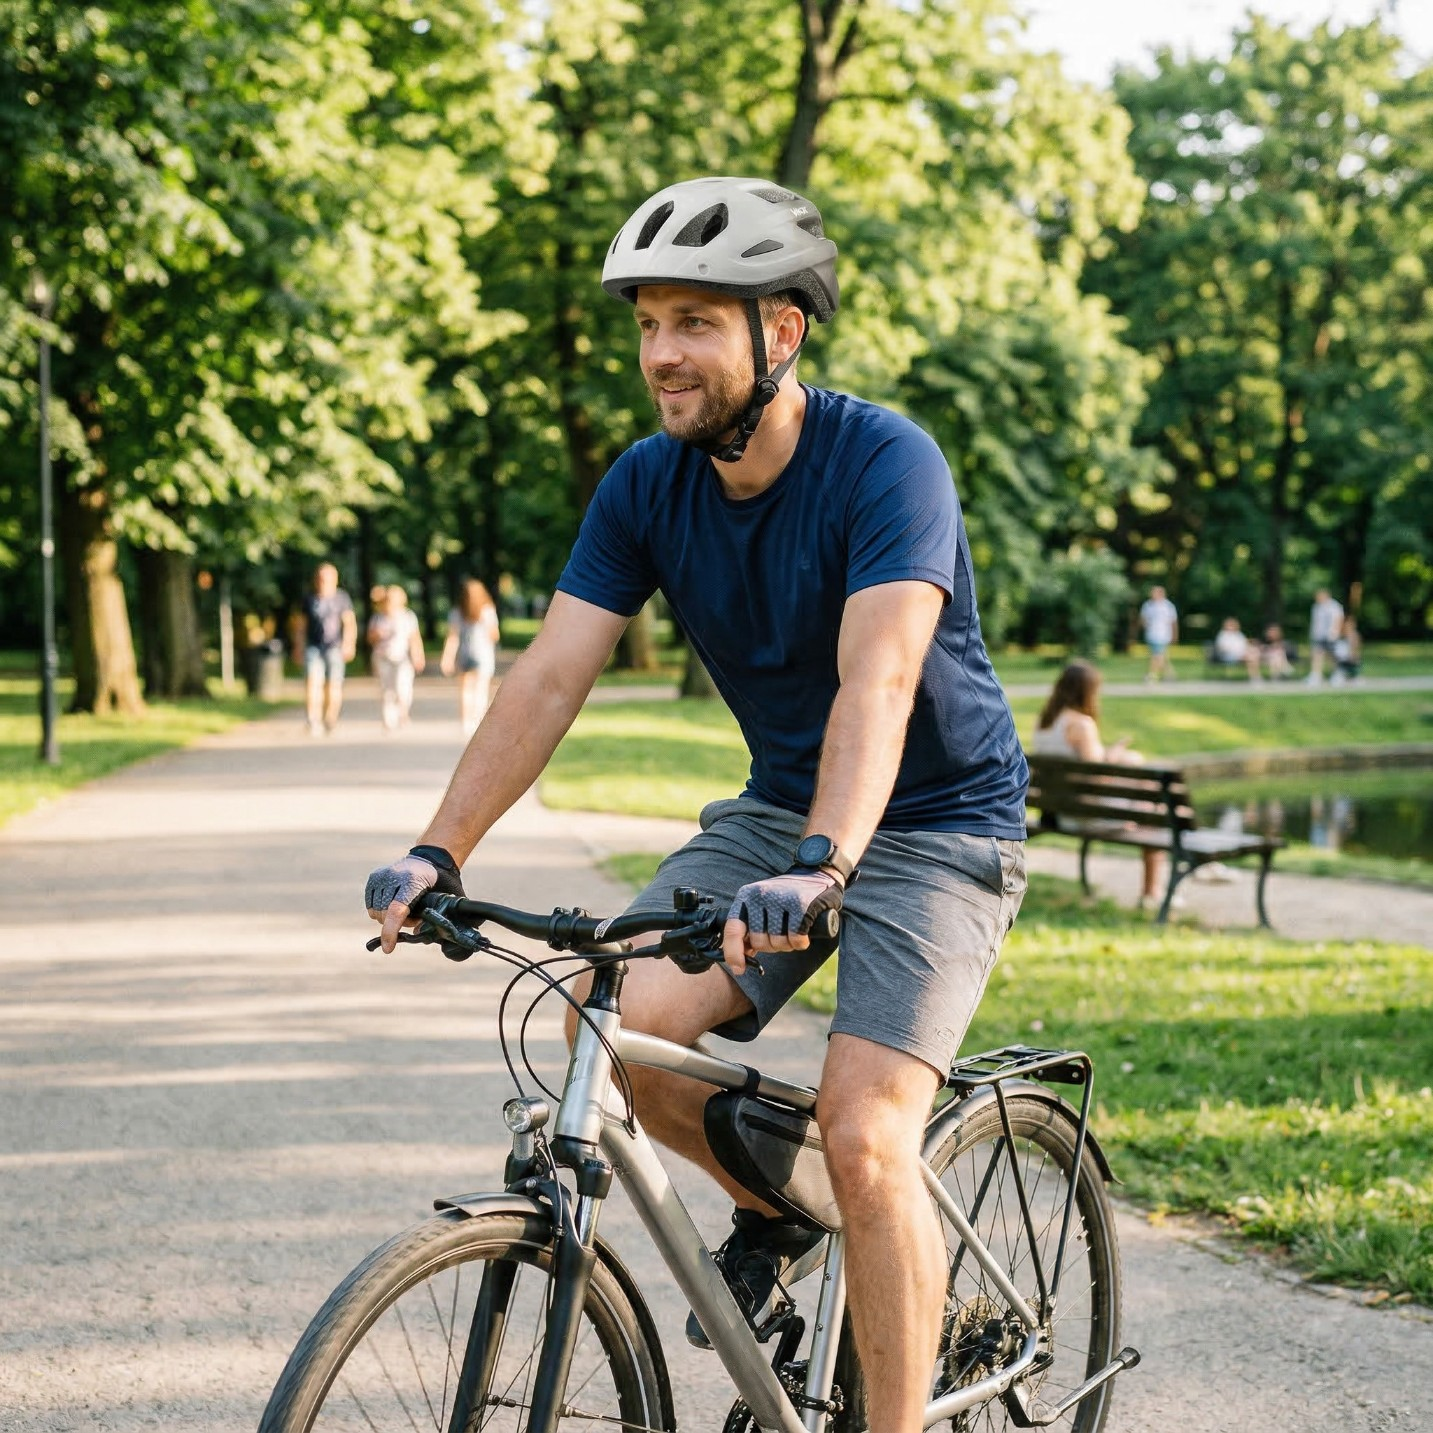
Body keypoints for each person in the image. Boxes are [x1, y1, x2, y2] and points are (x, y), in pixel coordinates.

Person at [363, 176, 1029, 1433]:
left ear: (780, 333)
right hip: (783, 811)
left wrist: (830, 863)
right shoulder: (645, 482)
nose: (660, 352)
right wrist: (435, 845)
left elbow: (876, 680)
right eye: (647, 321)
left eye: (695, 321)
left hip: (940, 824)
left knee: (867, 1129)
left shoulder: (886, 462)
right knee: (599, 1026)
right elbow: (551, 670)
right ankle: (779, 1204)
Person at [1029, 660, 1179, 908]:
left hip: (1060, 812)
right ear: (1086, 691)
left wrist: (1111, 758)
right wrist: (1114, 757)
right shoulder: (1081, 725)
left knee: (1149, 798)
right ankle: (1152, 893)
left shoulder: (1044, 722)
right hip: (1088, 816)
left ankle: (1155, 891)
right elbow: (1097, 779)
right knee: (1156, 810)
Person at [295, 562, 357, 736]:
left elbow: (349, 623)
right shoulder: (309, 599)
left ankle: (330, 718)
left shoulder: (342, 598)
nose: (324, 581)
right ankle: (312, 719)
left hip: (335, 648)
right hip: (313, 647)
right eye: (321, 578)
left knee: (333, 685)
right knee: (312, 683)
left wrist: (349, 644)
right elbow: (301, 626)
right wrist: (298, 646)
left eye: (328, 578)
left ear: (335, 580)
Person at [440, 578, 501, 738]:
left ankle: (466, 722)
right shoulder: (488, 611)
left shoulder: (457, 612)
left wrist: (447, 658)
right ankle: (477, 722)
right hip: (483, 655)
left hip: (464, 654)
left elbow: (452, 637)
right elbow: (494, 636)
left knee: (465, 691)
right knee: (481, 690)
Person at [367, 584, 425, 730]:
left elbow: (414, 638)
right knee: (386, 689)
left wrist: (418, 656)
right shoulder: (378, 617)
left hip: (403, 658)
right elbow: (369, 638)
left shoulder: (408, 616)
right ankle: (388, 719)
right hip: (382, 657)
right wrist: (377, 634)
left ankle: (403, 713)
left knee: (403, 688)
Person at [1139, 584, 1178, 682]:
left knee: (1157, 655)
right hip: (1151, 634)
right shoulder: (1147, 605)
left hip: (1163, 635)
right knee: (1160, 656)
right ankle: (1170, 675)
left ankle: (1151, 674)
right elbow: (1143, 619)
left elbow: (1173, 622)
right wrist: (1146, 626)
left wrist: (1174, 635)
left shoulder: (1168, 606)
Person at [1307, 588, 1345, 684]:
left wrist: (1335, 633)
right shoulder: (1316, 607)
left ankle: (1337, 674)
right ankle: (1316, 675)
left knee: (1332, 655)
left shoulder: (1334, 606)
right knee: (1317, 654)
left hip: (1331, 635)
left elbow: (1339, 619)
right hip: (1319, 635)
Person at [1331, 614, 1362, 684]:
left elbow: (1355, 651)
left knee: (1355, 660)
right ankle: (1340, 674)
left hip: (1349, 660)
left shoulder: (1354, 636)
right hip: (1340, 660)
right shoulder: (1338, 635)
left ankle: (1352, 675)